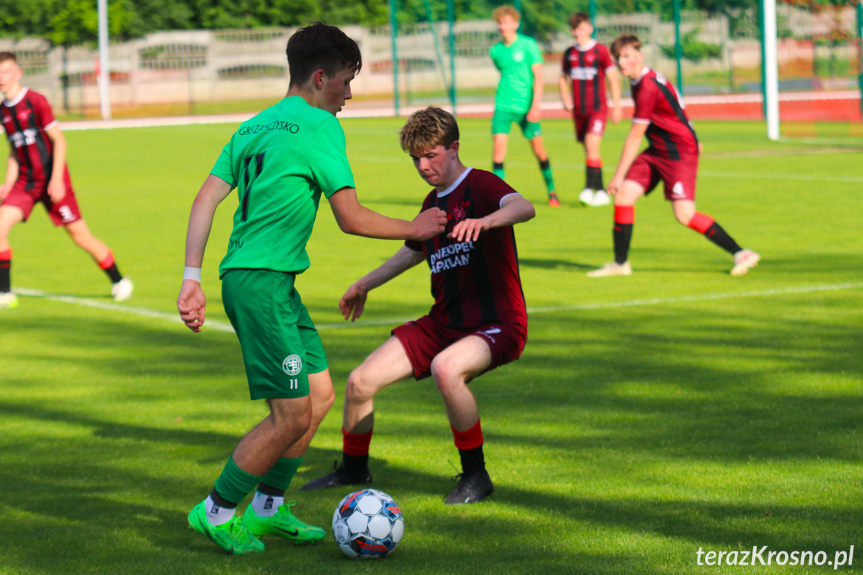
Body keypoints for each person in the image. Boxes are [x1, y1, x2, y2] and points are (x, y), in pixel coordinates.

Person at [176, 24, 447, 554]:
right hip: (262, 285)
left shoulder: (253, 126)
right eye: (346, 81)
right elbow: (350, 217)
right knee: (291, 413)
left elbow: (205, 200)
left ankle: (268, 509)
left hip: (265, 281)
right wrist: (417, 227)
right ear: (320, 77)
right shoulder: (320, 126)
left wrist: (192, 276)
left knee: (319, 394)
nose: (349, 94)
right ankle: (216, 509)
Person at [300, 106, 535, 505]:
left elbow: (522, 207)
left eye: (431, 156)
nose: (423, 166)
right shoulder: (432, 200)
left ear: (454, 148)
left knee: (447, 369)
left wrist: (487, 221)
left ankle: (476, 476)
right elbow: (412, 252)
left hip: (497, 323)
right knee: (360, 382)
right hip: (444, 323)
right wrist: (363, 284)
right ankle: (354, 469)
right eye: (416, 158)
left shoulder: (480, 185)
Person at [587, 35, 760, 278]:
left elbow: (635, 136)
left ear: (640, 55)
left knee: (684, 214)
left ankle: (741, 253)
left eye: (627, 56)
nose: (621, 62)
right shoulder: (642, 79)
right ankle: (620, 264)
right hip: (658, 149)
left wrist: (617, 175)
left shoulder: (647, 86)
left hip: (678, 153)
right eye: (618, 57)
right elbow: (678, 107)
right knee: (625, 197)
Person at [0, 52, 133, 309]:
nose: (1, 78)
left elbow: (59, 140)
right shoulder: (3, 110)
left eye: (5, 72)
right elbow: (14, 152)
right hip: (25, 184)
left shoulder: (35, 101)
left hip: (52, 182)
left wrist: (57, 179)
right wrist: (7, 184)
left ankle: (119, 280)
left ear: (18, 73)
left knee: (80, 236)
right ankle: (5, 293)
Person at [489, 5, 558, 207]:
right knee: (498, 152)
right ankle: (497, 200)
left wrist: (535, 106)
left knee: (539, 151)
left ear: (516, 24)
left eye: (507, 22)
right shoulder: (495, 50)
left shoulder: (528, 45)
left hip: (527, 108)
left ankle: (552, 191)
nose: (503, 26)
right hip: (503, 106)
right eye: (500, 22)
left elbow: (539, 77)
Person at [559, 13, 622, 207]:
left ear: (590, 29)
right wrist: (565, 97)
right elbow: (563, 77)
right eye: (574, 29)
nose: (577, 32)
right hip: (579, 110)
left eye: (581, 28)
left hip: (598, 108)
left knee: (592, 145)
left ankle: (589, 188)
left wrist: (617, 105)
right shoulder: (570, 52)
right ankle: (600, 191)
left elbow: (612, 78)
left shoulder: (600, 51)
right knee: (588, 150)